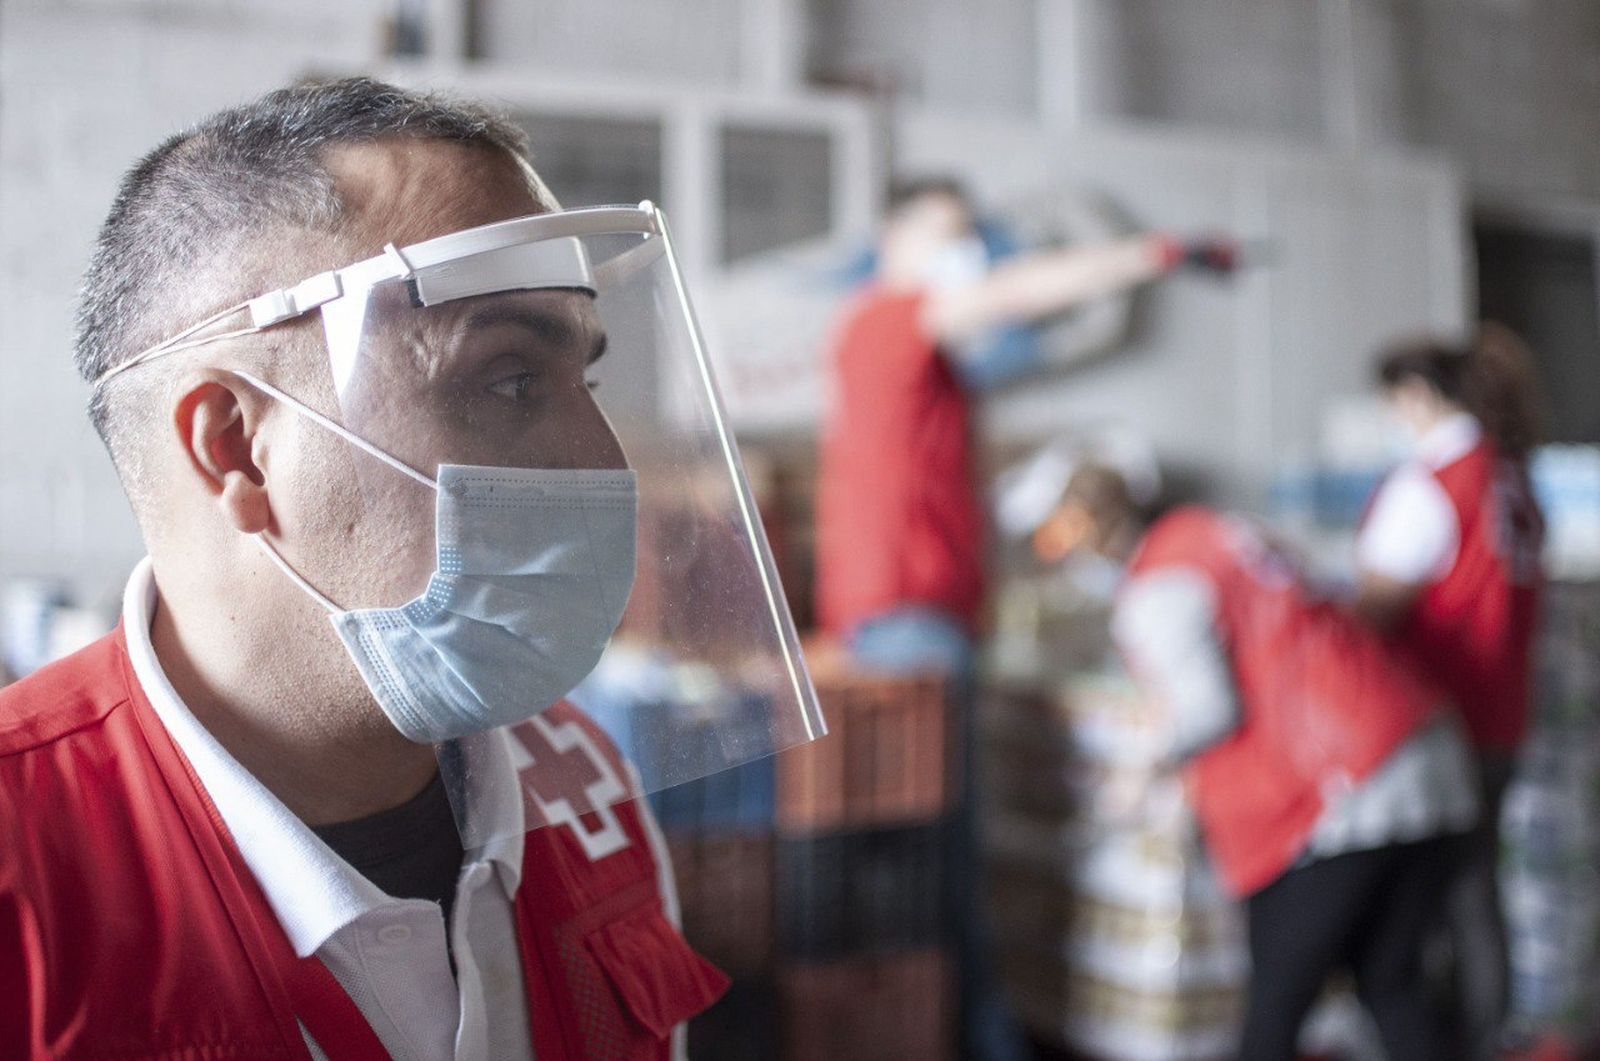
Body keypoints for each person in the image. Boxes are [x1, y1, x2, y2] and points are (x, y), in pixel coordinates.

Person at [0, 77, 827, 1059]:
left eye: (585, 379)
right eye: (509, 378)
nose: (605, 462)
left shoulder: (581, 787)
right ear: (237, 450)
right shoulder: (25, 873)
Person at [812, 177, 1236, 1060]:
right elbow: (1017, 292)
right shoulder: (892, 319)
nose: (967, 251)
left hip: (906, 621)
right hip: (909, 626)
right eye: (949, 231)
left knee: (929, 867)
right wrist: (1152, 253)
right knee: (946, 873)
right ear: (898, 232)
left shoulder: (916, 359)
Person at [1034, 465, 1479, 1061]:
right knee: (1390, 982)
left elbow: (1206, 708)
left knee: (1274, 1010)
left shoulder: (1155, 588)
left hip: (1342, 794)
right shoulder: (1220, 532)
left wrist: (1138, 777)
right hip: (1422, 752)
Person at [1354, 323, 1547, 1058]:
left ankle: (1447, 1041)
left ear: (1415, 396)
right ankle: (1486, 1036)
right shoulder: (1510, 476)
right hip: (1501, 713)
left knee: (1427, 906)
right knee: (1474, 891)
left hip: (1438, 719)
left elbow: (1379, 602)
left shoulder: (1433, 482)